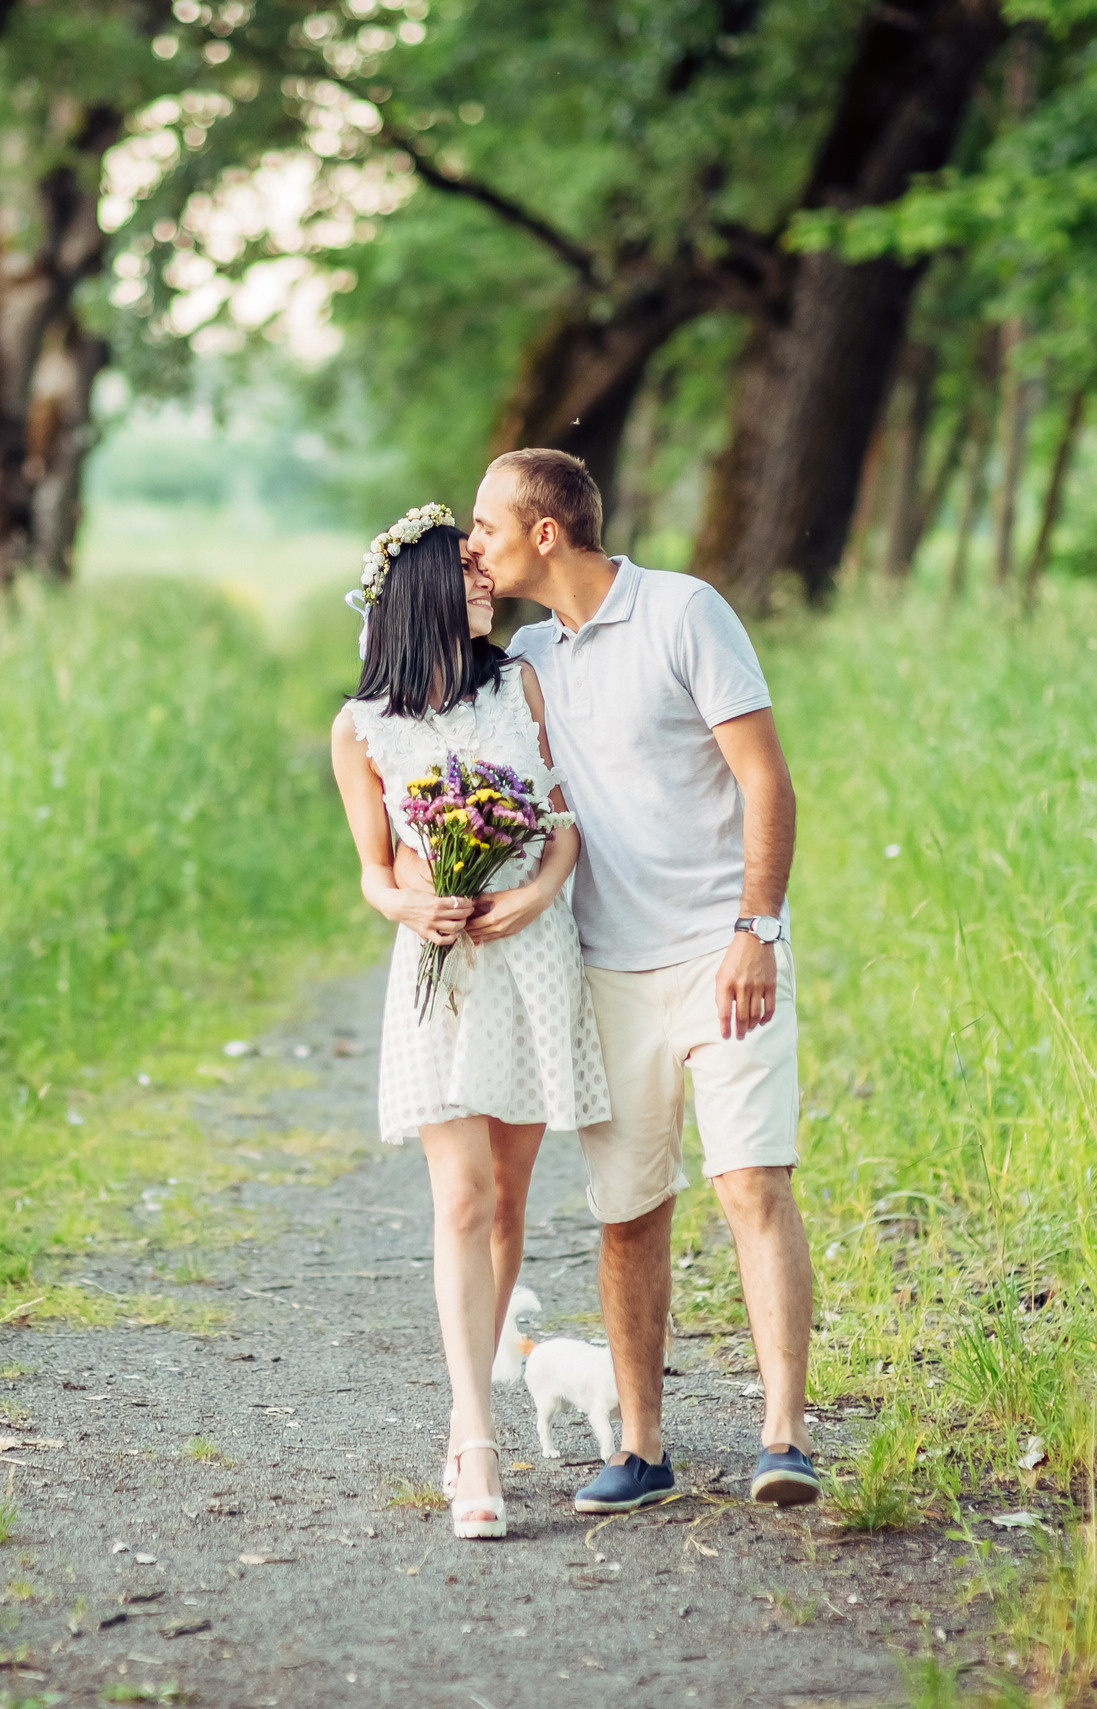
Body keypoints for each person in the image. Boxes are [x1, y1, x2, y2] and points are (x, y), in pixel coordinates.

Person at [416, 447, 820, 1512]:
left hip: (721, 951)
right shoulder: (532, 657)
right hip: (606, 969)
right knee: (627, 1211)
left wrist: (755, 928)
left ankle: (784, 1438)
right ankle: (640, 1447)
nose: (475, 544)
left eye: (487, 527)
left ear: (544, 532)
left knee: (750, 1180)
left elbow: (767, 781)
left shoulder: (687, 612)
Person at [327, 503, 611, 1540]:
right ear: (421, 592)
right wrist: (411, 902)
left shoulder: (520, 683)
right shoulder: (362, 727)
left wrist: (535, 895)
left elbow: (566, 816)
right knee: (461, 1197)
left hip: (529, 954)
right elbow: (371, 866)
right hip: (440, 964)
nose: (486, 574)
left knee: (508, 1199)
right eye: (468, 567)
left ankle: (470, 1398)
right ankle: (476, 1434)